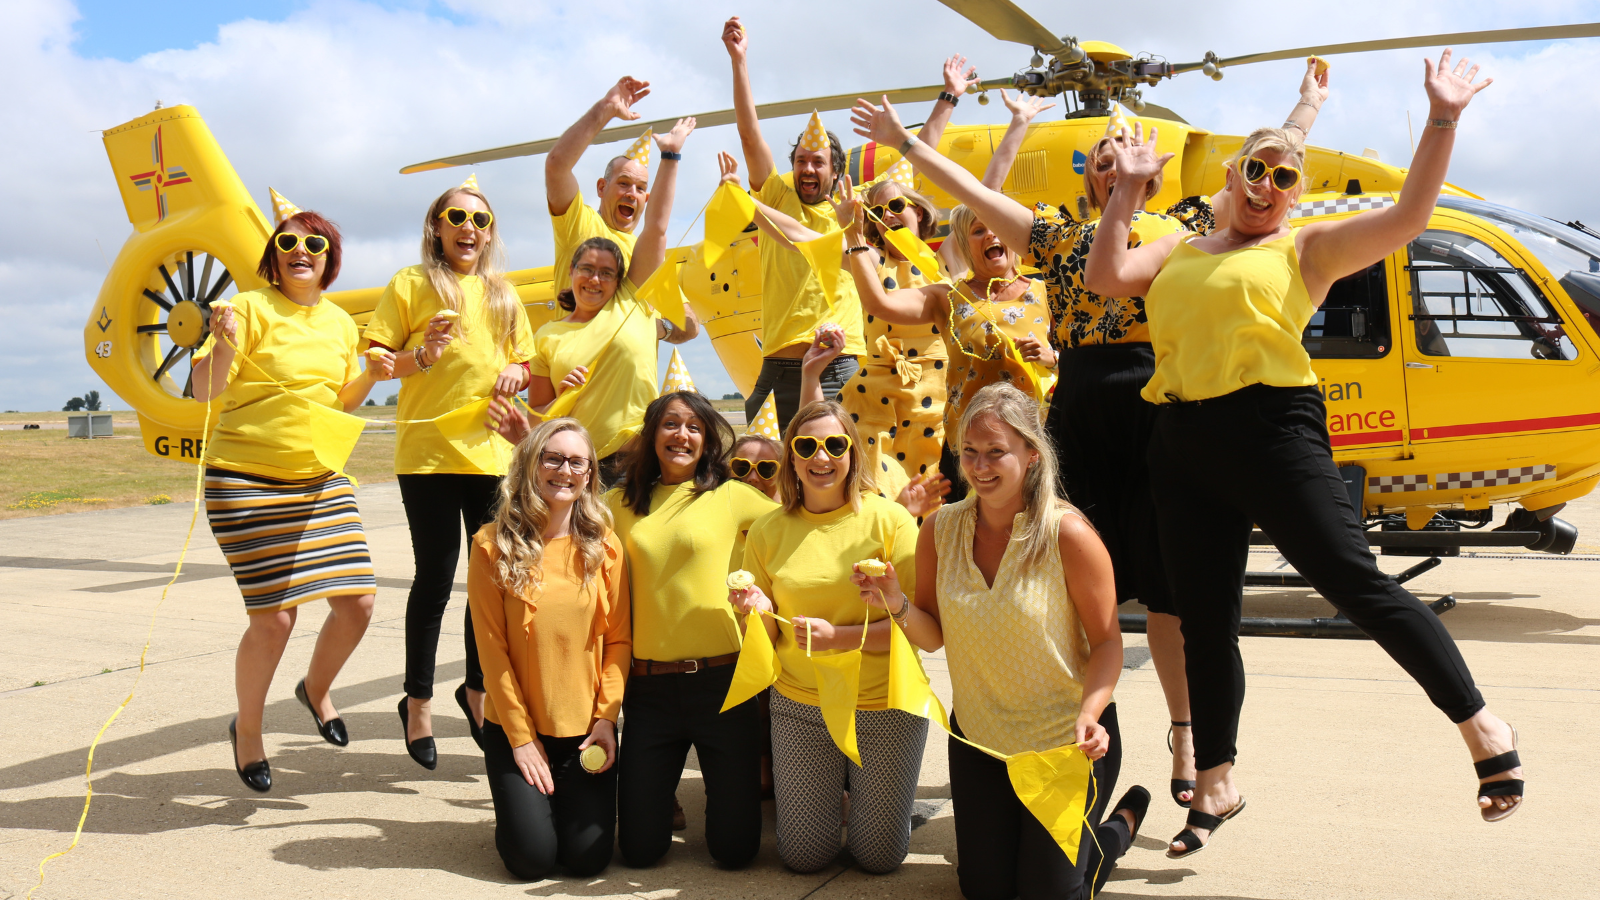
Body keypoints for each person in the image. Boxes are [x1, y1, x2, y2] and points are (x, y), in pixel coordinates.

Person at [855, 61, 1331, 810]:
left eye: (1129, 159)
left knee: (1172, 598)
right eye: (1103, 161)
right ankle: (1077, 736)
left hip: (1158, 417)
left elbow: (1271, 165)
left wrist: (1305, 105)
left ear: (1156, 173)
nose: (1117, 168)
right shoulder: (1061, 240)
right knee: (1074, 597)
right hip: (1078, 421)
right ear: (1090, 179)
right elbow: (974, 196)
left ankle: (1187, 735)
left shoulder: (1186, 235)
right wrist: (903, 144)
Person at [1082, 51, 1523, 853]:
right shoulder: (1180, 252)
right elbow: (1107, 274)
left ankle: (1480, 723)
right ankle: (1215, 779)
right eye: (1256, 171)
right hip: (1180, 445)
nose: (1267, 187)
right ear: (1231, 172)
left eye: (1286, 179)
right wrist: (1125, 191)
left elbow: (1411, 217)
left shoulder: (1304, 249)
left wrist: (1443, 118)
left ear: (1297, 193)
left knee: (1353, 581)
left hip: (1273, 431)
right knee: (1208, 623)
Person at [858, 382, 1147, 899]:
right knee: (985, 891)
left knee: (1048, 894)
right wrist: (895, 601)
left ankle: (1118, 827)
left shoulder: (1068, 534)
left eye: (997, 452)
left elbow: (1107, 643)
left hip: (1065, 746)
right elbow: (932, 637)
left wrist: (1091, 712)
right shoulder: (940, 530)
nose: (980, 466)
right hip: (980, 744)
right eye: (969, 452)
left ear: (1032, 455)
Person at [192, 206, 382, 793]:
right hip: (244, 479)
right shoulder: (247, 307)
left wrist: (372, 373)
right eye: (289, 240)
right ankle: (247, 730)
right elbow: (206, 389)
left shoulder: (340, 323)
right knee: (275, 619)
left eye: (315, 244)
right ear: (273, 253)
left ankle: (315, 690)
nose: (302, 250)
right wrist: (220, 343)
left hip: (318, 478)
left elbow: (339, 403)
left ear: (330, 259)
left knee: (358, 603)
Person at [366, 179, 536, 769]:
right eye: (457, 217)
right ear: (436, 228)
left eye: (480, 221)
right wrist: (424, 354)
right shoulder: (411, 285)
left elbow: (522, 358)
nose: (469, 228)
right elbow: (379, 363)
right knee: (436, 578)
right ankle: (417, 702)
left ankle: (476, 689)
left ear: (490, 234)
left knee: (488, 581)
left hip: (492, 457)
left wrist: (516, 371)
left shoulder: (502, 294)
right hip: (429, 455)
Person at [727, 400, 924, 875]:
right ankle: (835, 807)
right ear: (791, 457)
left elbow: (917, 627)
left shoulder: (890, 521)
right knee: (803, 857)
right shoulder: (769, 530)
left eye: (835, 445)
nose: (822, 457)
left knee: (879, 858)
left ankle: (874, 814)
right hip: (801, 704)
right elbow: (769, 630)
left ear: (853, 453)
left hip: (883, 702)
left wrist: (839, 637)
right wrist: (755, 611)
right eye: (807, 445)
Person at [605, 391, 779, 868]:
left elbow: (798, 526)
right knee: (639, 850)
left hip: (723, 685)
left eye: (693, 427)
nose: (681, 435)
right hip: (650, 688)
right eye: (670, 424)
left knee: (735, 852)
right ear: (651, 434)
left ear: (707, 440)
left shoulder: (730, 495)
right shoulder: (618, 503)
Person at [468, 417, 629, 879]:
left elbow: (619, 640)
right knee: (532, 861)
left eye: (577, 461)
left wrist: (606, 720)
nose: (565, 470)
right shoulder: (490, 545)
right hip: (518, 730)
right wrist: (520, 739)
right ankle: (523, 813)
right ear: (530, 465)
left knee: (586, 860)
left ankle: (552, 806)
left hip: (585, 730)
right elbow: (491, 651)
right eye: (552, 458)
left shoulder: (606, 547)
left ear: (590, 474)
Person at [724, 15, 878, 432]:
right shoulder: (777, 196)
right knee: (765, 474)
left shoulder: (854, 213)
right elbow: (749, 135)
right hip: (776, 365)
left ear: (835, 169)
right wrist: (739, 60)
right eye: (800, 162)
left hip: (838, 368)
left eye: (817, 162)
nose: (807, 169)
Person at [528, 120, 699, 482]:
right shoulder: (582, 226)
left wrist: (656, 326)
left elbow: (690, 323)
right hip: (577, 451)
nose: (596, 278)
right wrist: (608, 108)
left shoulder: (638, 273)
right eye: (623, 183)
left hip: (634, 447)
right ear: (602, 188)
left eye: (640, 188)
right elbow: (557, 164)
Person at [731, 434, 782, 500]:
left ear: (782, 475)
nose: (753, 478)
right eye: (742, 468)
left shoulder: (796, 509)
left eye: (765, 469)